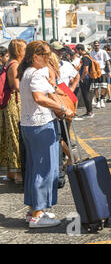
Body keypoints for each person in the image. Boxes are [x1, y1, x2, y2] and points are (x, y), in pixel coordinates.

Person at [18, 40, 74, 228]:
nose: (50, 57)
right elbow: (39, 97)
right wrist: (62, 108)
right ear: (35, 57)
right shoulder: (34, 74)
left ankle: (34, 209)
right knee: (44, 170)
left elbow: (49, 90)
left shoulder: (29, 72)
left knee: (35, 169)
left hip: (30, 125)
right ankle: (37, 214)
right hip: (40, 125)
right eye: (46, 54)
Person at [0, 39, 26, 184]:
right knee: (15, 136)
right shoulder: (15, 64)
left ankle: (10, 171)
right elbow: (16, 85)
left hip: (9, 104)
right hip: (13, 103)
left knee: (9, 136)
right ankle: (17, 173)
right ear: (18, 50)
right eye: (24, 48)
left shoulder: (10, 63)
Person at [75, 44, 94, 118]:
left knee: (85, 95)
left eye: (77, 50)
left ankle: (89, 112)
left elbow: (85, 70)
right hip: (88, 78)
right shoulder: (88, 56)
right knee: (86, 95)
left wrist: (81, 78)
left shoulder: (85, 58)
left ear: (80, 50)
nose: (77, 52)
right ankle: (89, 111)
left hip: (85, 79)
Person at [90, 41, 111, 109]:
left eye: (98, 45)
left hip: (102, 71)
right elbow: (90, 63)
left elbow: (107, 62)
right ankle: (98, 100)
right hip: (95, 72)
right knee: (95, 87)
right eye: (95, 45)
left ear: (99, 45)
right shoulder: (91, 53)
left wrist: (110, 71)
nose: (97, 46)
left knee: (104, 87)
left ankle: (102, 99)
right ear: (94, 46)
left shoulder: (103, 52)